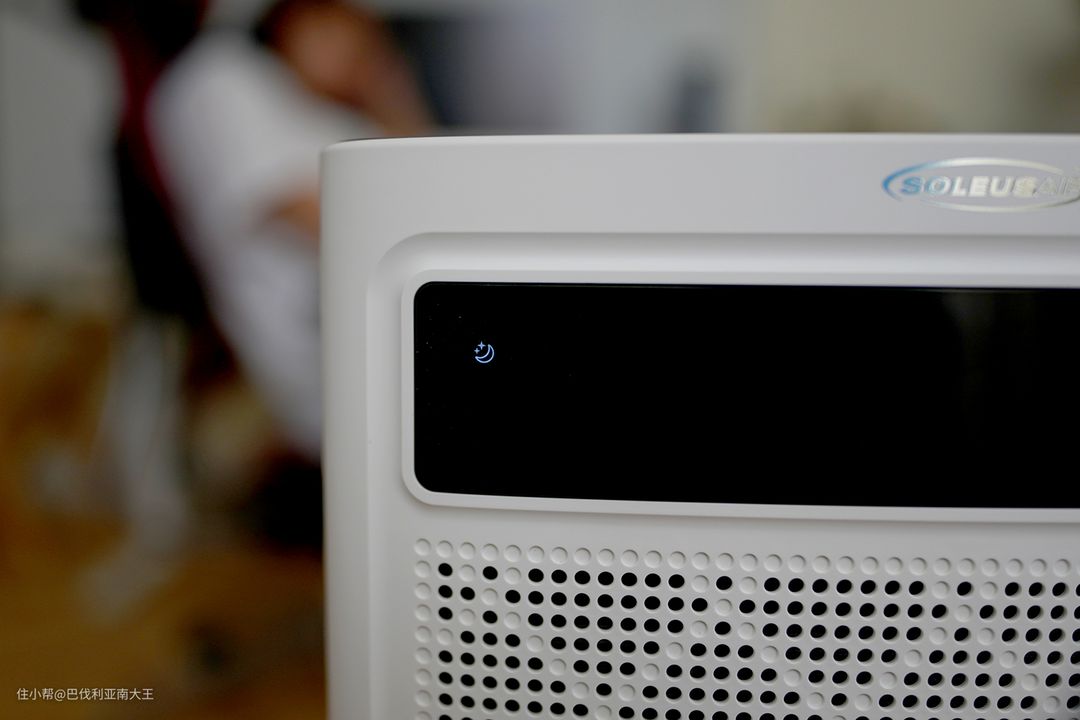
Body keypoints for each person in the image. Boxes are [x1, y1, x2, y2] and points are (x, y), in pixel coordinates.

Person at [151, 0, 433, 461]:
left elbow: (438, 182)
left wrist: (384, 84)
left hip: (397, 328)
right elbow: (344, 223)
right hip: (332, 354)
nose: (354, 47)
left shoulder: (328, 107)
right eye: (335, 26)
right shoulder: (219, 81)